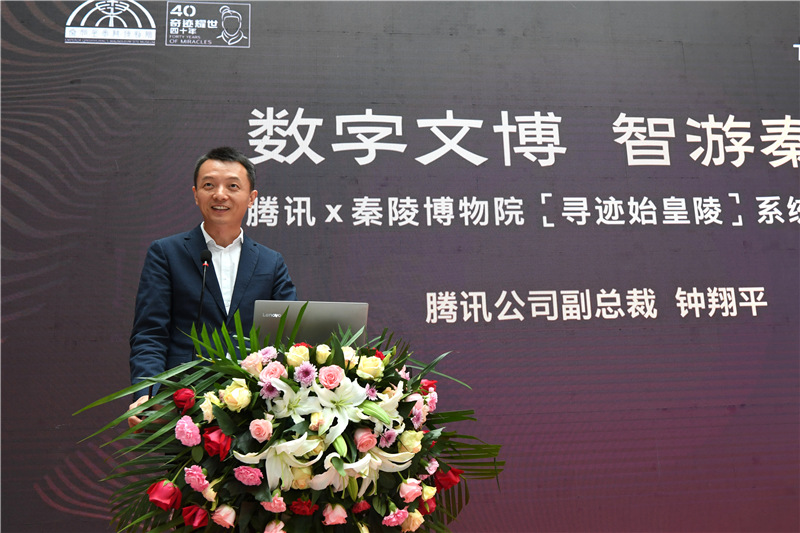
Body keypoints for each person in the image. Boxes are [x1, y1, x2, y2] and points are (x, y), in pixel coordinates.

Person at [128, 146, 296, 427]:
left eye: (232, 186)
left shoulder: (271, 262)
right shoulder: (166, 253)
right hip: (182, 403)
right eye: (209, 185)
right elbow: (150, 334)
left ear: (252, 198)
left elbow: (288, 336)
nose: (220, 194)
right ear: (196, 194)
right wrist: (149, 395)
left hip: (254, 409)